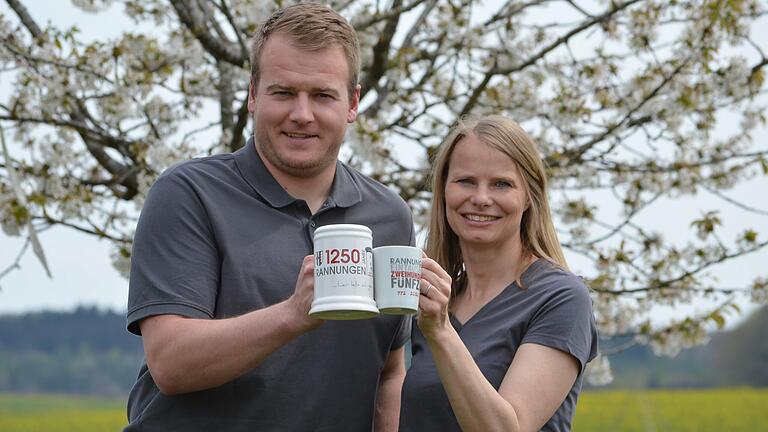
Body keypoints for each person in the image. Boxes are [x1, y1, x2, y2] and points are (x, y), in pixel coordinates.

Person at [124, 4, 414, 431]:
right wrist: (293, 315)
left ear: (352, 102)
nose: (301, 114)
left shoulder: (390, 217)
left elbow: (389, 372)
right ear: (253, 95)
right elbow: (170, 362)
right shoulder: (188, 194)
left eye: (321, 95)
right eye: (283, 92)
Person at [400, 115, 598, 431]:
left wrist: (441, 332)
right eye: (465, 181)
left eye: (501, 184)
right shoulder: (436, 301)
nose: (480, 198)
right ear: (444, 191)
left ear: (529, 197)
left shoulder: (560, 298)